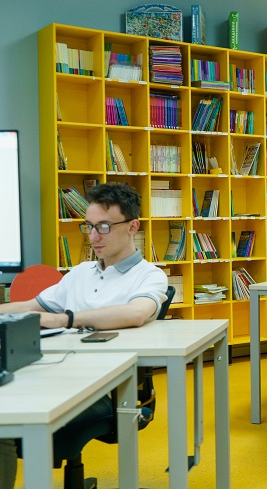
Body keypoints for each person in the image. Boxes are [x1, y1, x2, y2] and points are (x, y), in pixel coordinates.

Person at [0, 182, 167, 487]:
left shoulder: (149, 275)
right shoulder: (80, 273)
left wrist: (66, 318)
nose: (93, 236)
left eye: (103, 227)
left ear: (132, 226)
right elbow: (30, 306)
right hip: (57, 375)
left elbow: (136, 313)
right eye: (88, 226)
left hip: (106, 388)